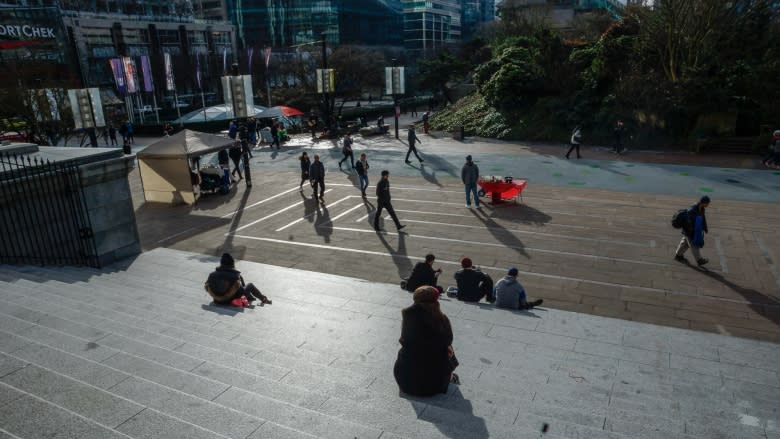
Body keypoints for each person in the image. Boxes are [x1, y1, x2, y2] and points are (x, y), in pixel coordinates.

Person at [393, 286, 459, 397]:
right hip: (433, 386)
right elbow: (448, 340)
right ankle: (451, 376)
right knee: (447, 348)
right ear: (436, 300)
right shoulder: (442, 319)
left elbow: (405, 339)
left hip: (405, 381)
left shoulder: (407, 314)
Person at [204, 253, 272, 306]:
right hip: (229, 301)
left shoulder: (212, 274)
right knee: (250, 285)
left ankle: (251, 297)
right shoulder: (234, 276)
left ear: (221, 263)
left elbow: (207, 287)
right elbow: (241, 292)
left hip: (216, 300)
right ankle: (263, 299)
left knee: (240, 278)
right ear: (232, 264)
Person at [674, 196, 710, 266]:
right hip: (689, 231)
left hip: (694, 230)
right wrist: (691, 231)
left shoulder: (702, 209)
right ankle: (699, 260)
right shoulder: (692, 210)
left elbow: (703, 218)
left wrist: (705, 228)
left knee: (685, 243)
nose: (708, 205)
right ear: (704, 202)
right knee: (694, 245)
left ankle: (678, 255)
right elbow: (687, 222)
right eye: (707, 203)